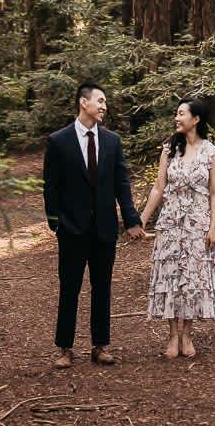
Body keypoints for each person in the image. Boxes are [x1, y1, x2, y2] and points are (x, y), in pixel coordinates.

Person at [43, 82, 144, 368]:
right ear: (83, 103)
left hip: (104, 229)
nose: (104, 106)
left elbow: (121, 184)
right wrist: (56, 224)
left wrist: (131, 220)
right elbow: (50, 187)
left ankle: (100, 346)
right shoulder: (58, 140)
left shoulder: (112, 141)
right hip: (71, 229)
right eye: (99, 101)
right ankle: (64, 348)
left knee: (102, 287)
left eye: (105, 102)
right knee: (70, 287)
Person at [140, 95, 215, 359]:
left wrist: (213, 227)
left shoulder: (212, 152)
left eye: (182, 114)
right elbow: (158, 187)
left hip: (197, 224)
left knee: (192, 278)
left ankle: (187, 333)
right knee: (171, 277)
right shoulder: (169, 149)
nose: (177, 118)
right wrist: (141, 219)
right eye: (176, 114)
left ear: (196, 119)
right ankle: (172, 334)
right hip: (171, 223)